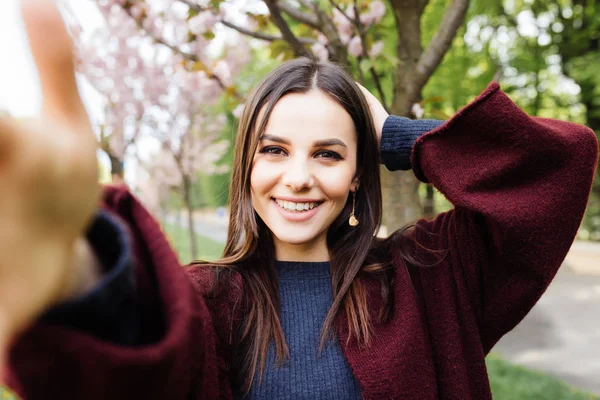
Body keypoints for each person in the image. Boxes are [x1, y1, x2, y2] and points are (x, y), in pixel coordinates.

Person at [1, 0, 598, 399]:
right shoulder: (207, 299)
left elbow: (556, 170)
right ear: (246, 165)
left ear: (359, 171)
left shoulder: (429, 277)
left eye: (329, 154)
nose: (298, 178)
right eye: (274, 150)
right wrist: (77, 267)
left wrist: (396, 136)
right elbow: (141, 365)